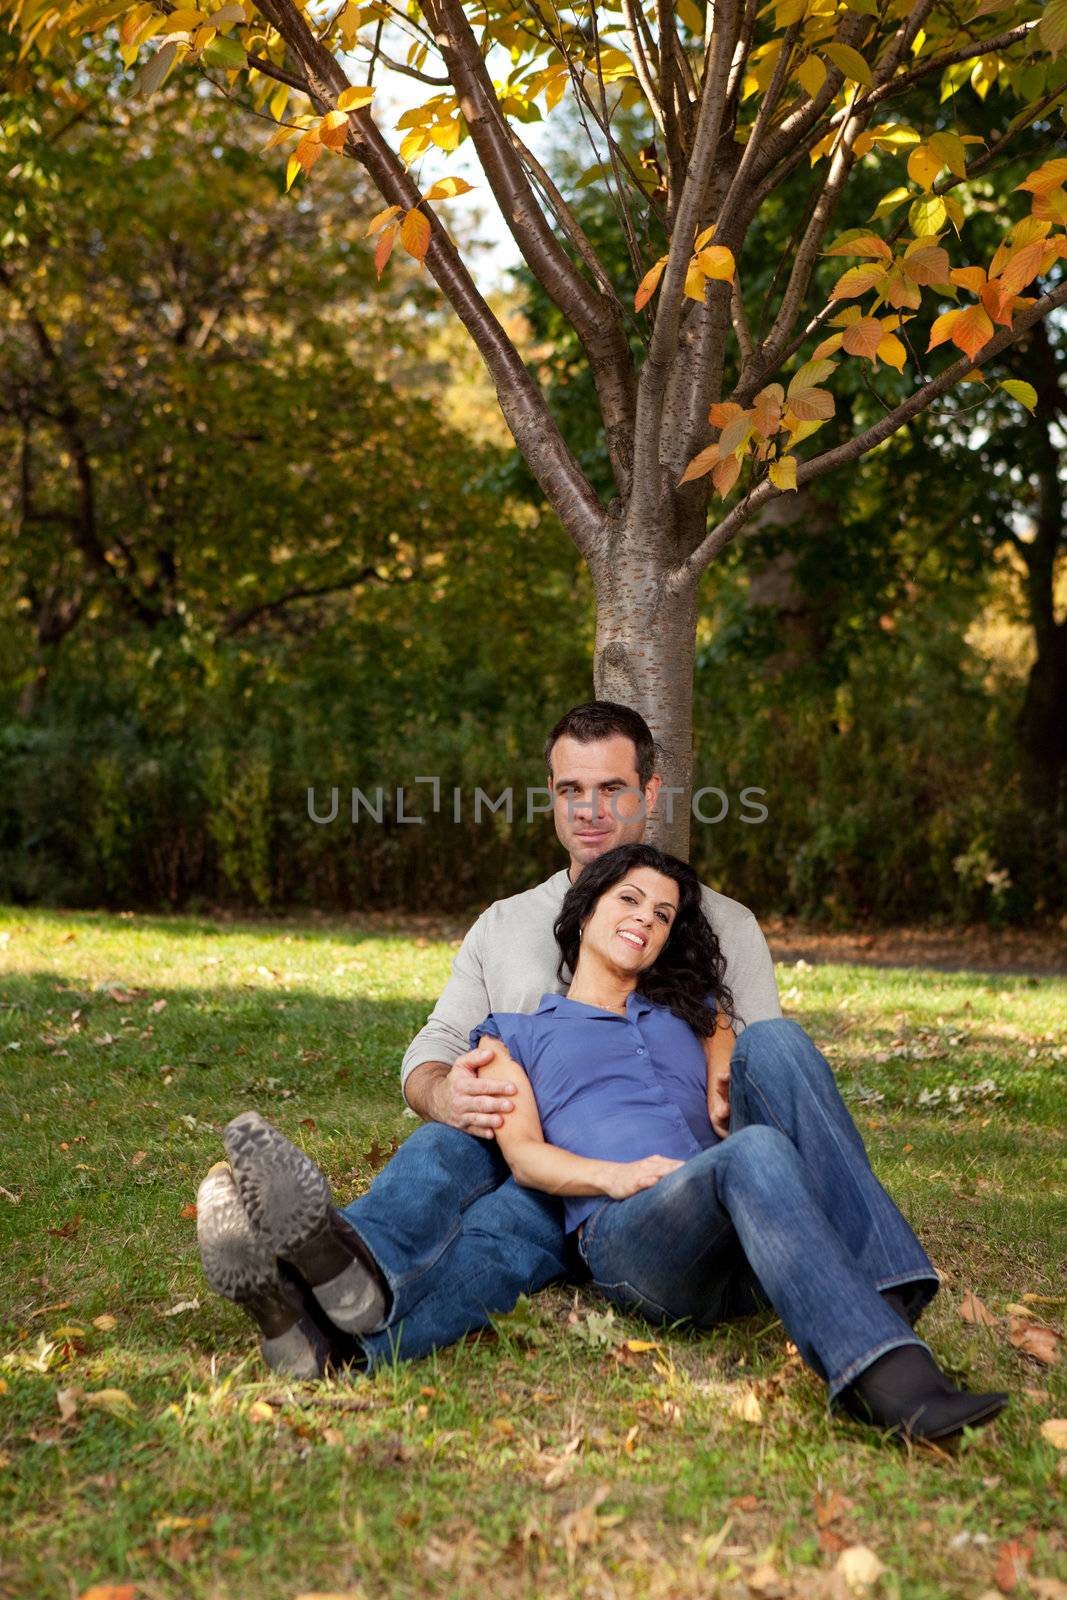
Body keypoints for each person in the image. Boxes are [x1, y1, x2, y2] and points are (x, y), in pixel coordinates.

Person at [200, 842, 1008, 1443]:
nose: (644, 921)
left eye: (661, 916)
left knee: (781, 1045)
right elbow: (520, 1158)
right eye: (628, 900)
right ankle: (890, 1382)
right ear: (584, 912)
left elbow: (741, 1039)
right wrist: (615, 1178)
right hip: (638, 1237)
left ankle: (883, 1289)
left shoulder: (693, 1019)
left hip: (750, 1230)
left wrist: (729, 1056)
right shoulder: (514, 1032)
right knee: (732, 1160)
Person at [199, 701, 784, 1372]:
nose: (589, 809)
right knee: (442, 1149)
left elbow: (763, 1062)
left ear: (650, 794)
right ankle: (343, 1270)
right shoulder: (505, 923)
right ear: (552, 797)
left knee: (506, 1232)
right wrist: (447, 1094)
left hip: (640, 1187)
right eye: (571, 790)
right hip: (514, 1139)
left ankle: (319, 1313)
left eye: (611, 789)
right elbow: (435, 1045)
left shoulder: (719, 923)